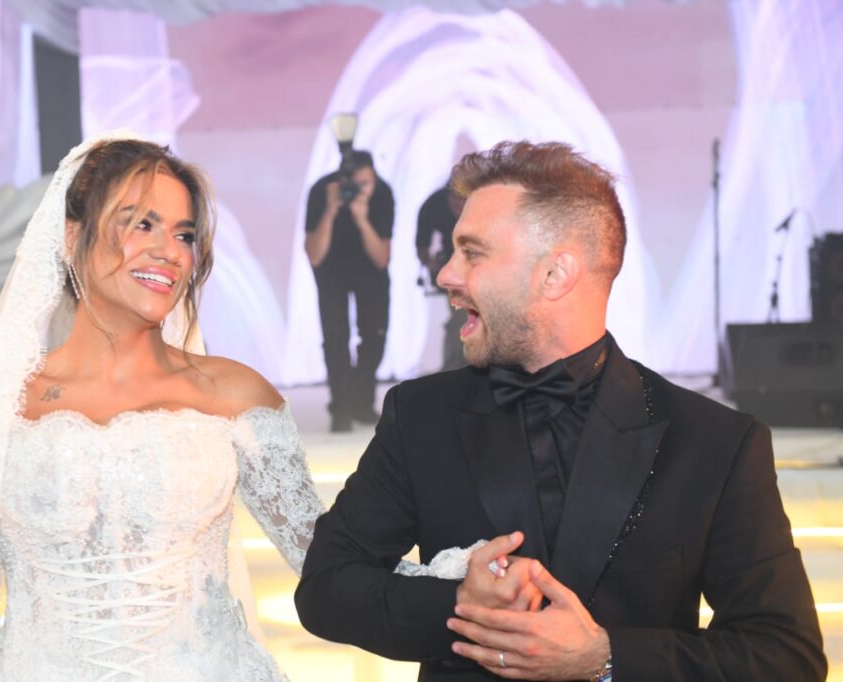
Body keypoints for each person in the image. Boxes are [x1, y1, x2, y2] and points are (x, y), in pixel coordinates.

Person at [295, 140, 827, 681]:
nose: (446, 275)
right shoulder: (420, 416)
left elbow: (787, 655)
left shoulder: (714, 441)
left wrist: (607, 658)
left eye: (472, 253)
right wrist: (462, 607)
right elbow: (325, 586)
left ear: (555, 275)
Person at [0, 134, 324, 680]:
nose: (169, 251)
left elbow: (332, 565)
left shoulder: (235, 395)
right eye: (141, 224)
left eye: (184, 234)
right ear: (71, 236)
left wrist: (439, 587)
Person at [304, 150, 394, 433]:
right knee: (335, 338)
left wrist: (362, 219)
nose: (361, 190)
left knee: (374, 336)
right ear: (342, 180)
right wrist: (330, 211)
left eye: (367, 183)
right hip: (331, 270)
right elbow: (314, 254)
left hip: (370, 271)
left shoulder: (382, 193)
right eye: (356, 184)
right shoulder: (323, 190)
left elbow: (382, 258)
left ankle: (362, 402)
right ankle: (340, 406)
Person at [415, 184, 466, 371]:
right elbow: (422, 245)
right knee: (460, 318)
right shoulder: (434, 204)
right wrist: (433, 265)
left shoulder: (488, 202)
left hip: (488, 268)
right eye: (456, 200)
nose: (459, 204)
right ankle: (455, 367)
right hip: (454, 268)